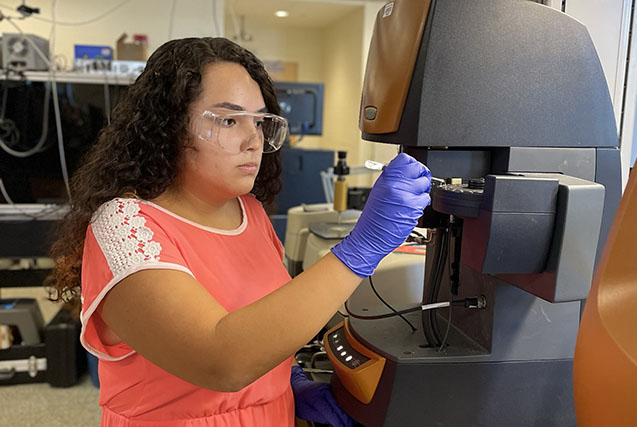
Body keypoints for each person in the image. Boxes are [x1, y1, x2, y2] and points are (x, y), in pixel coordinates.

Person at [47, 37, 431, 426]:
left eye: (260, 121)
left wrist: (287, 380)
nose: (253, 140)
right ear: (169, 127)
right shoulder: (122, 227)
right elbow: (221, 360)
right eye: (229, 120)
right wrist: (363, 246)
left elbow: (265, 320)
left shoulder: (249, 212)